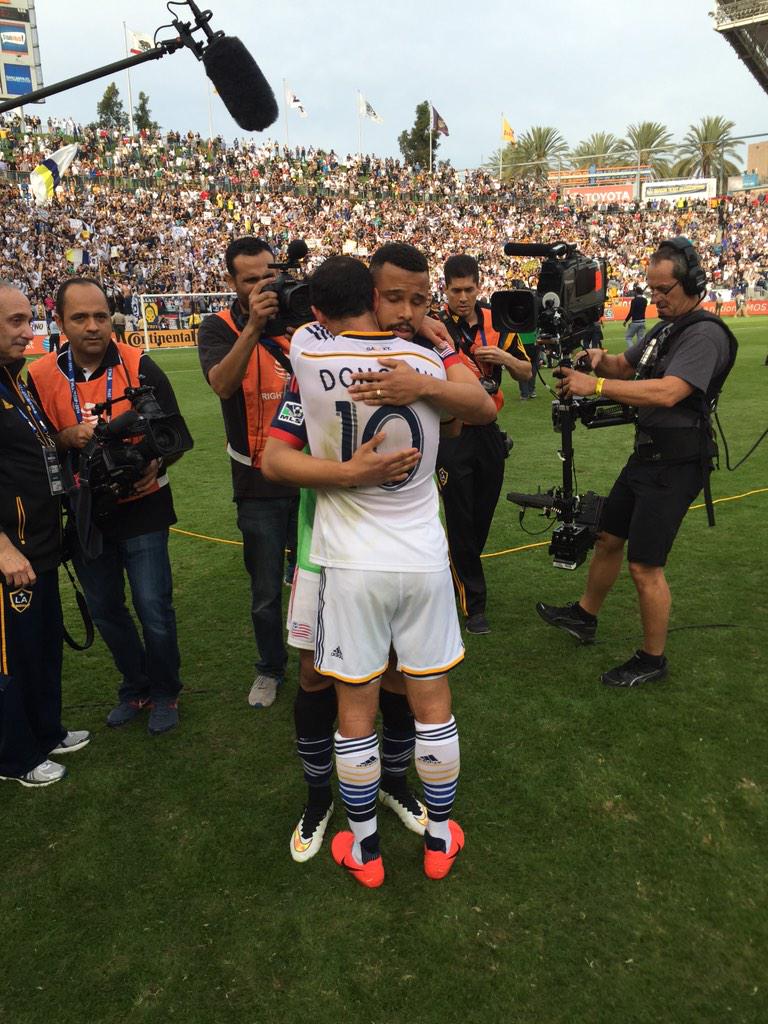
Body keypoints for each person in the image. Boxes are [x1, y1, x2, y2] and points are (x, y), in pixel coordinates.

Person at [263, 256, 495, 887]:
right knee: (431, 701)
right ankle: (442, 839)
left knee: (355, 705)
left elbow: (273, 454)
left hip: (351, 564)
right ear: (377, 296)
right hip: (422, 559)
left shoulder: (308, 354)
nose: (409, 309)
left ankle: (364, 850)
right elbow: (483, 404)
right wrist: (438, 342)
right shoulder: (425, 363)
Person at [536, 239, 736, 688]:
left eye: (664, 289)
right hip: (647, 456)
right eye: (652, 288)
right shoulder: (667, 327)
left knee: (645, 566)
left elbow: (668, 391)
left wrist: (596, 386)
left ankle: (652, 658)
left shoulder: (703, 333)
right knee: (608, 536)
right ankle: (585, 615)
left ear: (693, 284)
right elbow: (625, 366)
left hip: (677, 464)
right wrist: (598, 361)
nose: (657, 297)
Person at [27, 278, 186, 734]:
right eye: (80, 317)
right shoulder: (38, 377)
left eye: (101, 315)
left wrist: (157, 461)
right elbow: (33, 448)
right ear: (59, 321)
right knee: (105, 608)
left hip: (144, 504)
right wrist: (65, 437)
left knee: (153, 605)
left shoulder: (140, 363)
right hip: (84, 513)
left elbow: (177, 434)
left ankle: (165, 690)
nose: (94, 326)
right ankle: (134, 684)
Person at [197, 236, 296, 710]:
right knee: (264, 588)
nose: (263, 286)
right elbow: (222, 383)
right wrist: (254, 326)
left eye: (269, 276)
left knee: (325, 578)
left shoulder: (303, 318)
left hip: (313, 475)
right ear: (233, 283)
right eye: (251, 280)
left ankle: (330, 659)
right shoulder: (217, 327)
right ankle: (271, 667)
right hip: (256, 483)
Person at [0, 282, 89, 786]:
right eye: (15, 322)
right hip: (11, 553)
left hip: (41, 543)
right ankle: (14, 758)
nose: (27, 332)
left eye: (30, 320)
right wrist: (2, 546)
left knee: (42, 647)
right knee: (12, 657)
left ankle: (46, 731)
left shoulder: (16, 381)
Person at [436, 254, 531, 635]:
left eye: (469, 290)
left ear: (479, 287)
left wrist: (504, 357)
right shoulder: (436, 326)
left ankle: (450, 574)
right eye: (455, 290)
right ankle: (474, 606)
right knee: (460, 520)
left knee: (480, 518)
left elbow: (527, 371)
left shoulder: (498, 321)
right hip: (453, 431)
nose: (462, 297)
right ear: (445, 289)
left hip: (490, 430)